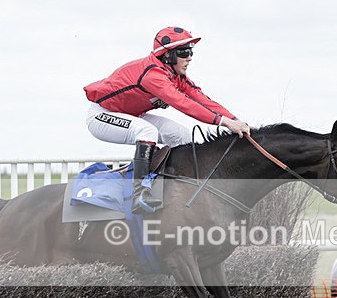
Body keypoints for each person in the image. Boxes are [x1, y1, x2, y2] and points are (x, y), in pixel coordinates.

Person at [84, 26, 251, 213]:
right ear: (167, 55)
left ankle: (178, 189)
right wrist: (224, 122)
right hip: (102, 116)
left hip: (131, 115)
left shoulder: (175, 76)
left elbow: (202, 99)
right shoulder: (153, 75)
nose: (189, 57)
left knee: (181, 134)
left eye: (191, 52)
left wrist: (235, 120)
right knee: (147, 132)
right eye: (184, 52)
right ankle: (139, 194)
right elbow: (184, 104)